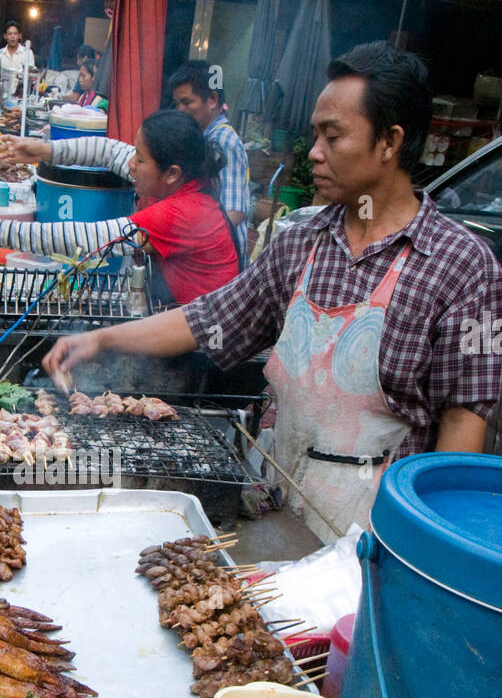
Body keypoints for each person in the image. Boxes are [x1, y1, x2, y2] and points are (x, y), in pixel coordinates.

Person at [43, 43, 502, 543]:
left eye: (333, 136)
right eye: (314, 135)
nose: (314, 152)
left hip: (372, 533)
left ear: (390, 142)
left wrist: (425, 550)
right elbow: (208, 318)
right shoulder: (301, 241)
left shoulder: (463, 265)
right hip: (272, 504)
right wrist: (102, 340)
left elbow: (463, 429)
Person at [0, 110, 239, 305]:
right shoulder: (186, 179)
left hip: (207, 344)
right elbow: (109, 151)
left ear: (171, 173)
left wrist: (0, 229)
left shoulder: (181, 213)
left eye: (140, 159)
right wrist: (44, 150)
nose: (131, 163)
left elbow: (87, 238)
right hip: (185, 316)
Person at [169, 62, 250, 270]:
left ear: (212, 99)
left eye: (187, 102)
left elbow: (234, 212)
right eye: (177, 103)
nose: (180, 110)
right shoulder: (203, 137)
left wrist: (190, 244)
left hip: (222, 264)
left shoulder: (222, 140)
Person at [0, 20, 34, 105]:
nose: (12, 37)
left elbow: (31, 77)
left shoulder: (27, 53)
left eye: (15, 34)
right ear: (5, 36)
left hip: (21, 100)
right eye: (10, 34)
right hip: (2, 99)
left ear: (19, 36)